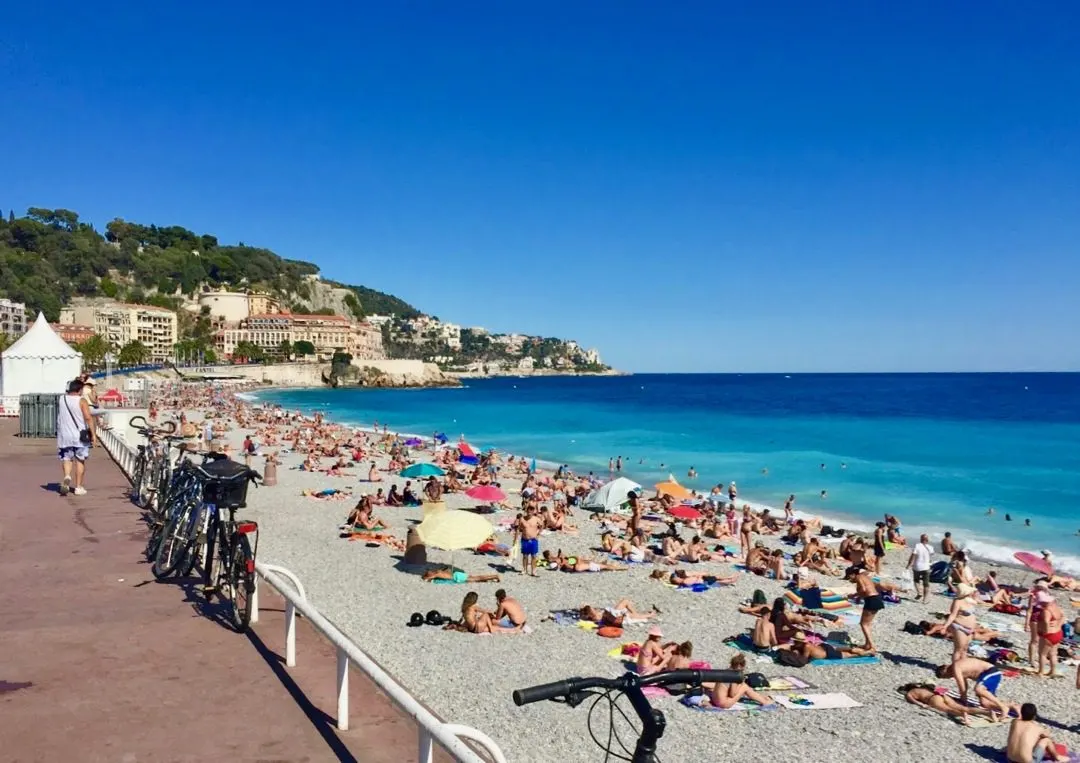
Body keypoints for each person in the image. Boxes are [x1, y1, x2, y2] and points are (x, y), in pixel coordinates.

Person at [934, 657, 1018, 719]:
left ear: (946, 667)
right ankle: (1012, 706)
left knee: (978, 689)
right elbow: (964, 684)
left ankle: (1003, 707)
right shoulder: (957, 668)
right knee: (985, 703)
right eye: (947, 677)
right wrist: (964, 698)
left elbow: (961, 684)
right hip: (988, 677)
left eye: (947, 675)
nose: (949, 676)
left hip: (990, 671)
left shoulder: (956, 667)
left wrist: (963, 699)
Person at [56, 378, 95, 496]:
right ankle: (78, 487)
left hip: (64, 435)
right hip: (79, 436)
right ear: (79, 390)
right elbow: (88, 418)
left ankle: (67, 476)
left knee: (67, 458)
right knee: (80, 460)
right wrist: (93, 434)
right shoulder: (82, 401)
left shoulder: (62, 399)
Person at [703, 654, 773, 709]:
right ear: (743, 666)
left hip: (714, 699)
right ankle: (764, 702)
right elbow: (732, 694)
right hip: (722, 704)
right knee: (745, 687)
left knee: (744, 687)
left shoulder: (725, 671)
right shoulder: (735, 676)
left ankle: (761, 698)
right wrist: (740, 684)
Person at [941, 583, 981, 665]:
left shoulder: (969, 600)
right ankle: (955, 667)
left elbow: (977, 595)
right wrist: (945, 626)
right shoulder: (957, 601)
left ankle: (963, 667)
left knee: (965, 649)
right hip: (959, 627)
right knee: (959, 649)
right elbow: (952, 615)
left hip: (970, 628)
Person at [847, 564, 884, 652]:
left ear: (853, 574)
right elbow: (868, 589)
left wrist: (854, 596)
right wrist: (859, 598)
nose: (850, 580)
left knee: (863, 624)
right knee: (867, 624)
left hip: (872, 600)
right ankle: (867, 644)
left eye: (849, 577)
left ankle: (872, 646)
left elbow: (863, 589)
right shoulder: (865, 577)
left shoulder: (859, 577)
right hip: (876, 598)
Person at [1034, 590, 1065, 678]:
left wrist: (1045, 631)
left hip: (1049, 635)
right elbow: (1063, 617)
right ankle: (1053, 671)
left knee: (1042, 654)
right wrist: (1058, 625)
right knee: (1053, 654)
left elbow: (1046, 621)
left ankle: (1041, 672)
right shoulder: (1056, 608)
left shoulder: (1046, 611)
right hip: (1058, 633)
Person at [784, 630, 873, 661]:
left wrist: (794, 655)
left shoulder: (806, 647)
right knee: (838, 648)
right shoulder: (805, 644)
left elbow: (804, 659)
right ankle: (851, 648)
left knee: (850, 655)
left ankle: (868, 652)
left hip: (827, 653)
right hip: (824, 646)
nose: (794, 642)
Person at [907, 533, 934, 603]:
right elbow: (931, 556)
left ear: (921, 539)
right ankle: (925, 600)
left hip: (917, 567)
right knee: (926, 584)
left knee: (916, 580)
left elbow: (913, 556)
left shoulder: (917, 546)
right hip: (926, 567)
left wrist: (909, 564)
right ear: (927, 540)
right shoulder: (930, 547)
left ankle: (919, 592)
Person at [517, 507, 543, 577]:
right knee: (525, 556)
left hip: (533, 539)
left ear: (533, 512)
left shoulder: (536, 519)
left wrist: (538, 534)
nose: (529, 513)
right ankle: (524, 570)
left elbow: (542, 525)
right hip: (525, 539)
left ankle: (533, 571)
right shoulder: (522, 519)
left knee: (534, 556)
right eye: (528, 512)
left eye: (531, 512)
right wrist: (515, 538)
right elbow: (519, 528)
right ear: (526, 511)